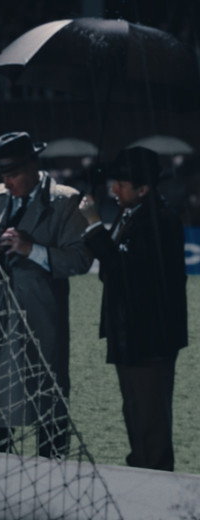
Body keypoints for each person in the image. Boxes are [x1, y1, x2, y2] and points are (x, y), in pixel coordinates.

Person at [0, 131, 92, 458]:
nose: (7, 182)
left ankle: (52, 471)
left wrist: (31, 249)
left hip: (41, 316)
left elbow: (80, 260)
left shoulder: (66, 200)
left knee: (46, 393)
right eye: (2, 175)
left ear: (34, 166)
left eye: (13, 175)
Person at [77, 146, 188, 470]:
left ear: (144, 189)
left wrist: (94, 224)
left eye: (122, 184)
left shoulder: (160, 222)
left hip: (149, 337)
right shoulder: (136, 214)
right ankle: (142, 471)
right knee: (136, 412)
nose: (114, 189)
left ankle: (155, 482)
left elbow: (122, 272)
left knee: (150, 418)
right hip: (132, 334)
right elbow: (114, 271)